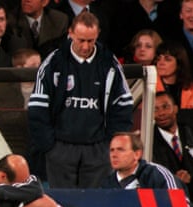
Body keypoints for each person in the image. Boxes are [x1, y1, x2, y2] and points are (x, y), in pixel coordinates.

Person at [27, 12, 133, 188]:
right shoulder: (54, 62)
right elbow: (37, 107)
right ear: (71, 34)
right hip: (61, 149)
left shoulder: (109, 63)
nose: (85, 46)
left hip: (97, 150)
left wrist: (108, 145)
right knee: (62, 206)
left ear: (97, 35)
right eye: (81, 40)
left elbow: (123, 105)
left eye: (90, 41)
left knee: (97, 204)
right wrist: (50, 147)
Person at [102, 131, 193, 207]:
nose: (114, 155)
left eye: (120, 150)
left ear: (137, 154)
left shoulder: (157, 174)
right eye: (112, 150)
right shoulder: (107, 183)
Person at [153, 91, 193, 202]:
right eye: (155, 109)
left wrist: (191, 178)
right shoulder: (149, 141)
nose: (161, 113)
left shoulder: (190, 132)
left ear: (175, 109)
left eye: (165, 107)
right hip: (170, 201)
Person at [155, 41, 193, 109]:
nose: (161, 63)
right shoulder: (148, 86)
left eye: (167, 59)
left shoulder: (192, 88)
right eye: (158, 59)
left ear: (179, 63)